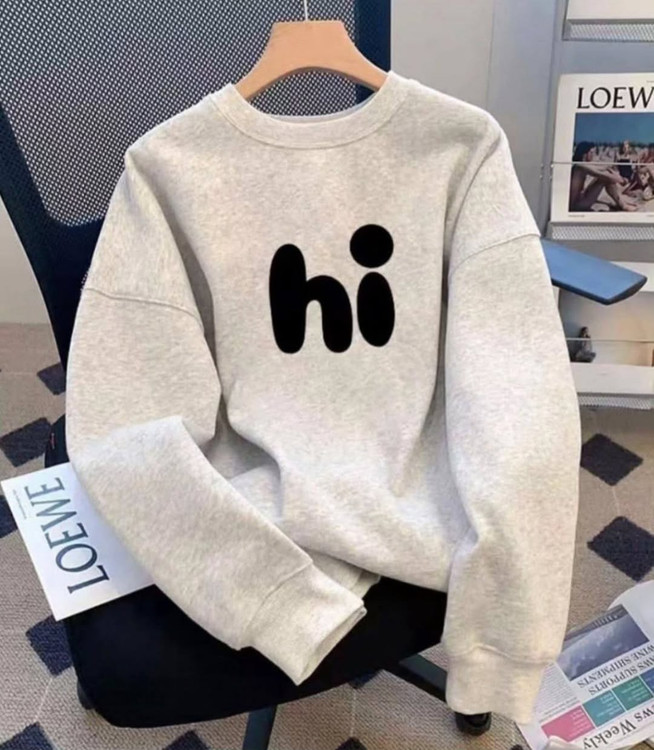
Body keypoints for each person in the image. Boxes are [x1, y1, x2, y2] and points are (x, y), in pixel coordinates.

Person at [569, 141, 637, 212]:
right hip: (576, 206)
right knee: (605, 178)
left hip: (580, 198)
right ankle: (623, 205)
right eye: (591, 152)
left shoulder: (579, 165)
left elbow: (601, 168)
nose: (593, 155)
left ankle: (623, 203)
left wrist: (609, 169)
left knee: (605, 176)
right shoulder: (580, 166)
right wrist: (622, 180)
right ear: (585, 154)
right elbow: (601, 174)